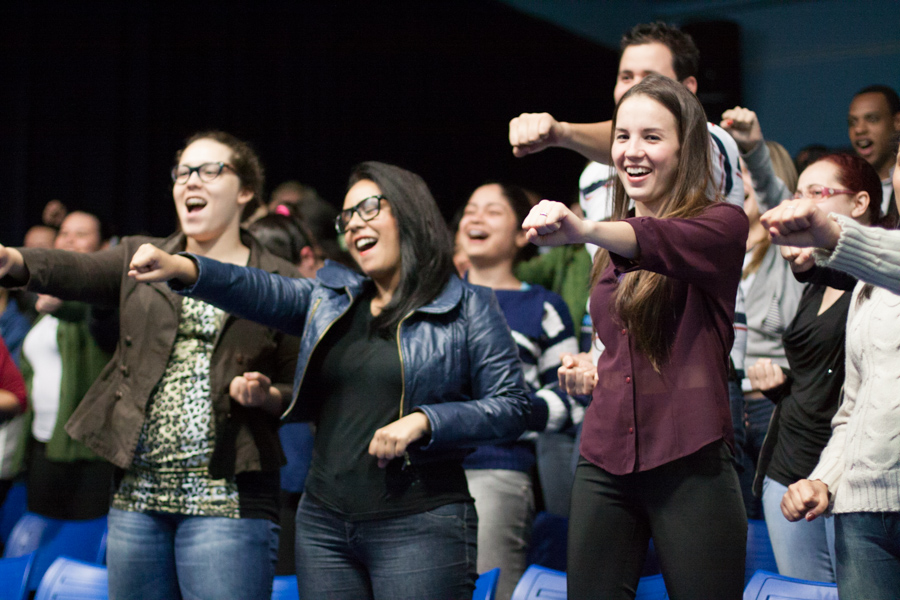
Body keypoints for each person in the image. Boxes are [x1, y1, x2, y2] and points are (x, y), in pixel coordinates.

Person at [127, 161, 530, 600]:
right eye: (347, 216)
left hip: (419, 524)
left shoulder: (469, 306)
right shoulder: (331, 299)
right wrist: (183, 267)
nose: (355, 222)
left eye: (369, 208)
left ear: (411, 212)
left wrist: (425, 421)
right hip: (324, 526)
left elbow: (513, 406)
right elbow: (257, 288)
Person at [0, 131, 300, 600]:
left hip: (227, 503)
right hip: (137, 500)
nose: (189, 181)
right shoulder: (143, 255)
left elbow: (301, 386)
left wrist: (268, 395)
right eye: (182, 171)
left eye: (208, 170)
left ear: (245, 192)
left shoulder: (278, 279)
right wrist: (14, 260)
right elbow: (78, 269)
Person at [522, 74, 748, 599]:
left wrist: (582, 228)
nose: (631, 151)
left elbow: (658, 241)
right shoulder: (608, 248)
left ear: (685, 148)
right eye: (622, 137)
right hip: (604, 455)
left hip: (689, 454)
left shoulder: (722, 225)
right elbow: (621, 344)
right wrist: (593, 365)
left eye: (652, 137)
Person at [508, 21, 749, 480]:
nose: (634, 90)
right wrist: (597, 353)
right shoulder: (594, 175)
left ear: (689, 91)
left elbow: (650, 239)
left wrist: (559, 131)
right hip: (622, 378)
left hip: (698, 372)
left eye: (650, 79)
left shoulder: (712, 143)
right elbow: (610, 276)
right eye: (625, 77)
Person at [762, 168, 900, 597]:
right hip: (862, 510)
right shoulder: (869, 287)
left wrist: (828, 231)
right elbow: (857, 405)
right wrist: (825, 479)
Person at [457, 182, 580, 599]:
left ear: (518, 234)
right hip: (422, 471)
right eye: (471, 209)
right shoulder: (432, 299)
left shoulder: (542, 306)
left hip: (498, 468)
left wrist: (512, 413)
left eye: (492, 211)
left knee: (489, 591)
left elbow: (570, 397)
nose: (475, 218)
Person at [12, 211, 118, 521]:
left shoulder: (103, 299)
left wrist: (64, 301)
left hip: (85, 450)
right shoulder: (41, 305)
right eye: (65, 233)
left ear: (102, 247)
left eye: (81, 234)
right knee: (38, 536)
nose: (69, 239)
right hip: (42, 441)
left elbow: (86, 313)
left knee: (77, 541)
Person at [847, 85, 900, 219]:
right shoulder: (846, 186)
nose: (859, 129)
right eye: (852, 122)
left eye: (872, 119)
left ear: (897, 122)